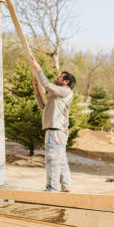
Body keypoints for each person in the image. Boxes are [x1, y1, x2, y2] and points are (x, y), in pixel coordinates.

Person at [31, 58, 75, 192]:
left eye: (60, 77)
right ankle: (66, 188)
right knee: (60, 161)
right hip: (57, 132)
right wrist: (36, 91)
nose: (57, 77)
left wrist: (38, 69)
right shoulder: (55, 95)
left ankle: (52, 190)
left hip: (56, 132)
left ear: (66, 81)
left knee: (52, 162)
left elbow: (47, 84)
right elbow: (43, 106)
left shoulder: (65, 91)